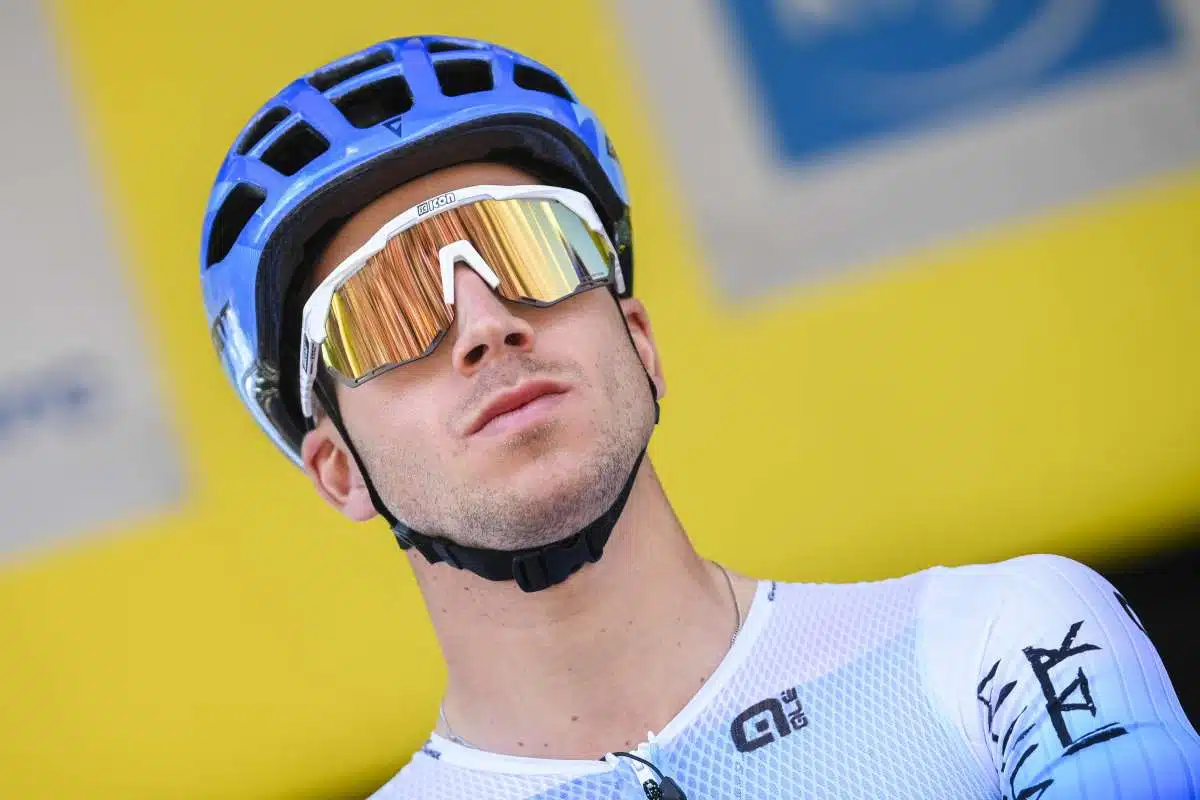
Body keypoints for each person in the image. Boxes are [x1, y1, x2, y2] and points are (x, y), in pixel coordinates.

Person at [199, 36, 1200, 800]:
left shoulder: (1002, 641)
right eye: (387, 310)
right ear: (338, 469)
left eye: (533, 250)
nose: (488, 324)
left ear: (639, 340)